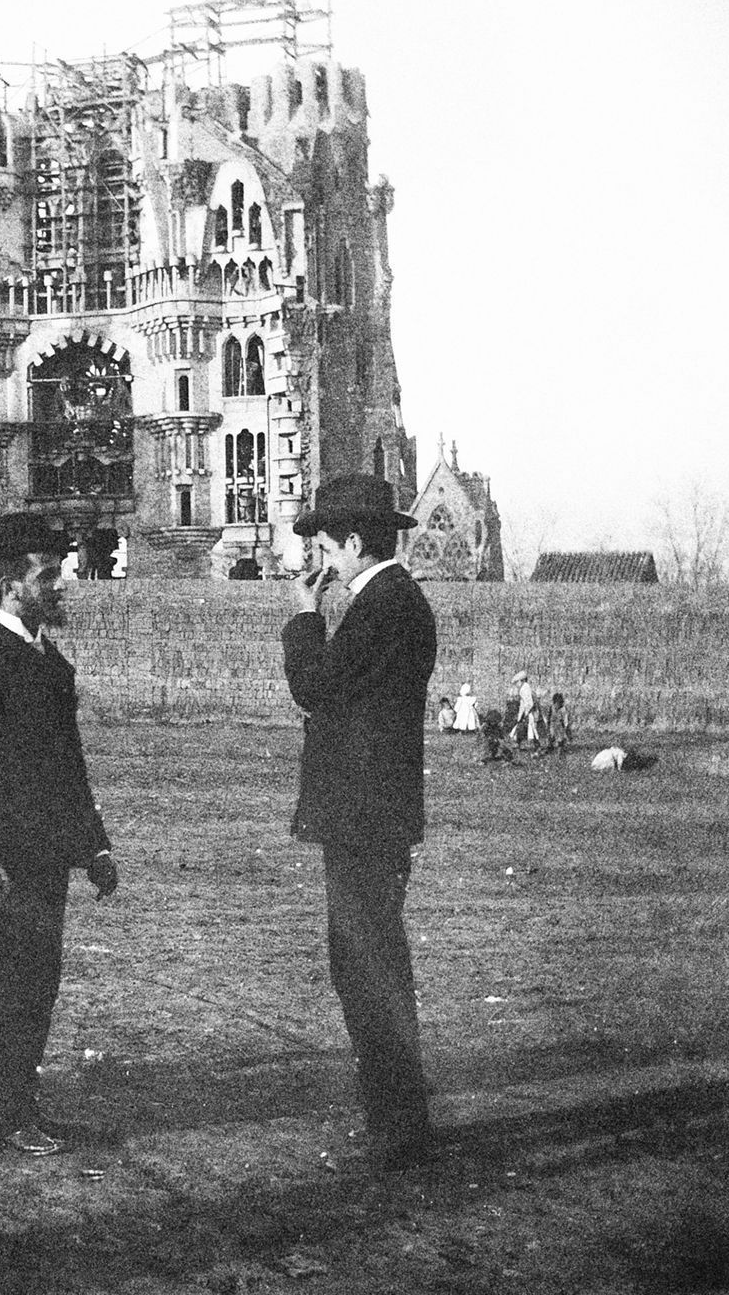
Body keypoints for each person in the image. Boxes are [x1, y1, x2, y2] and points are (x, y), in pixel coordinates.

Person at [0, 512, 119, 1157]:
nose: (63, 584)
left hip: (47, 861)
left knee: (37, 981)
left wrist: (92, 844)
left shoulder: (53, 665)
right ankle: (4, 1116)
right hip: (5, 866)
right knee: (5, 986)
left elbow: (69, 768)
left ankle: (23, 1107)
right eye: (51, 575)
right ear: (13, 586)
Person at [280, 473, 438, 1168]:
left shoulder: (383, 608)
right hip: (371, 815)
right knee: (367, 961)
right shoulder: (393, 603)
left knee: (368, 963)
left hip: (363, 819)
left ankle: (398, 1121)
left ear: (353, 541)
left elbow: (315, 689)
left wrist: (303, 617)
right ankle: (392, 1114)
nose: (323, 562)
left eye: (325, 546)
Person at [510, 670, 542, 751]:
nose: (516, 685)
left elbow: (529, 703)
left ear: (521, 681)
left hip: (530, 711)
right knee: (523, 727)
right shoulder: (524, 688)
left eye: (517, 682)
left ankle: (536, 745)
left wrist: (525, 714)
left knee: (532, 728)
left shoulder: (525, 688)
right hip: (527, 711)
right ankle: (519, 743)